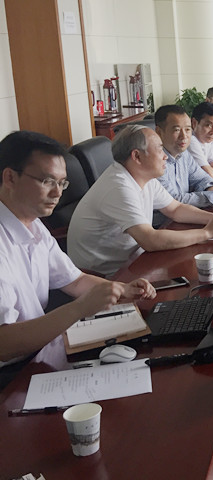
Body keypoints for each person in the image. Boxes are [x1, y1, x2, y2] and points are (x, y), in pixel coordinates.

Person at [0, 131, 155, 372]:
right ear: (10, 177)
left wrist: (121, 290)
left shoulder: (33, 224)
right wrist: (79, 308)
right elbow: (4, 344)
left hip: (41, 349)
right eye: (47, 181)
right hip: (11, 371)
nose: (57, 193)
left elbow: (75, 280)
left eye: (62, 183)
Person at [68, 124, 213, 276]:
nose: (165, 156)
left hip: (135, 260)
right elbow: (150, 240)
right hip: (106, 276)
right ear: (137, 156)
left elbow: (175, 209)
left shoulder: (143, 176)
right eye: (159, 150)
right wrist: (207, 233)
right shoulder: (119, 187)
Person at [153, 104, 213, 226]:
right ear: (159, 132)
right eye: (177, 130)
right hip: (161, 226)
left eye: (187, 130)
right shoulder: (153, 161)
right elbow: (172, 201)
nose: (184, 136)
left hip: (185, 219)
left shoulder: (184, 154)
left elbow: (201, 179)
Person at [188, 102, 213, 179]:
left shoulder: (205, 140)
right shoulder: (190, 140)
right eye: (208, 125)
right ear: (194, 123)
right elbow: (209, 174)